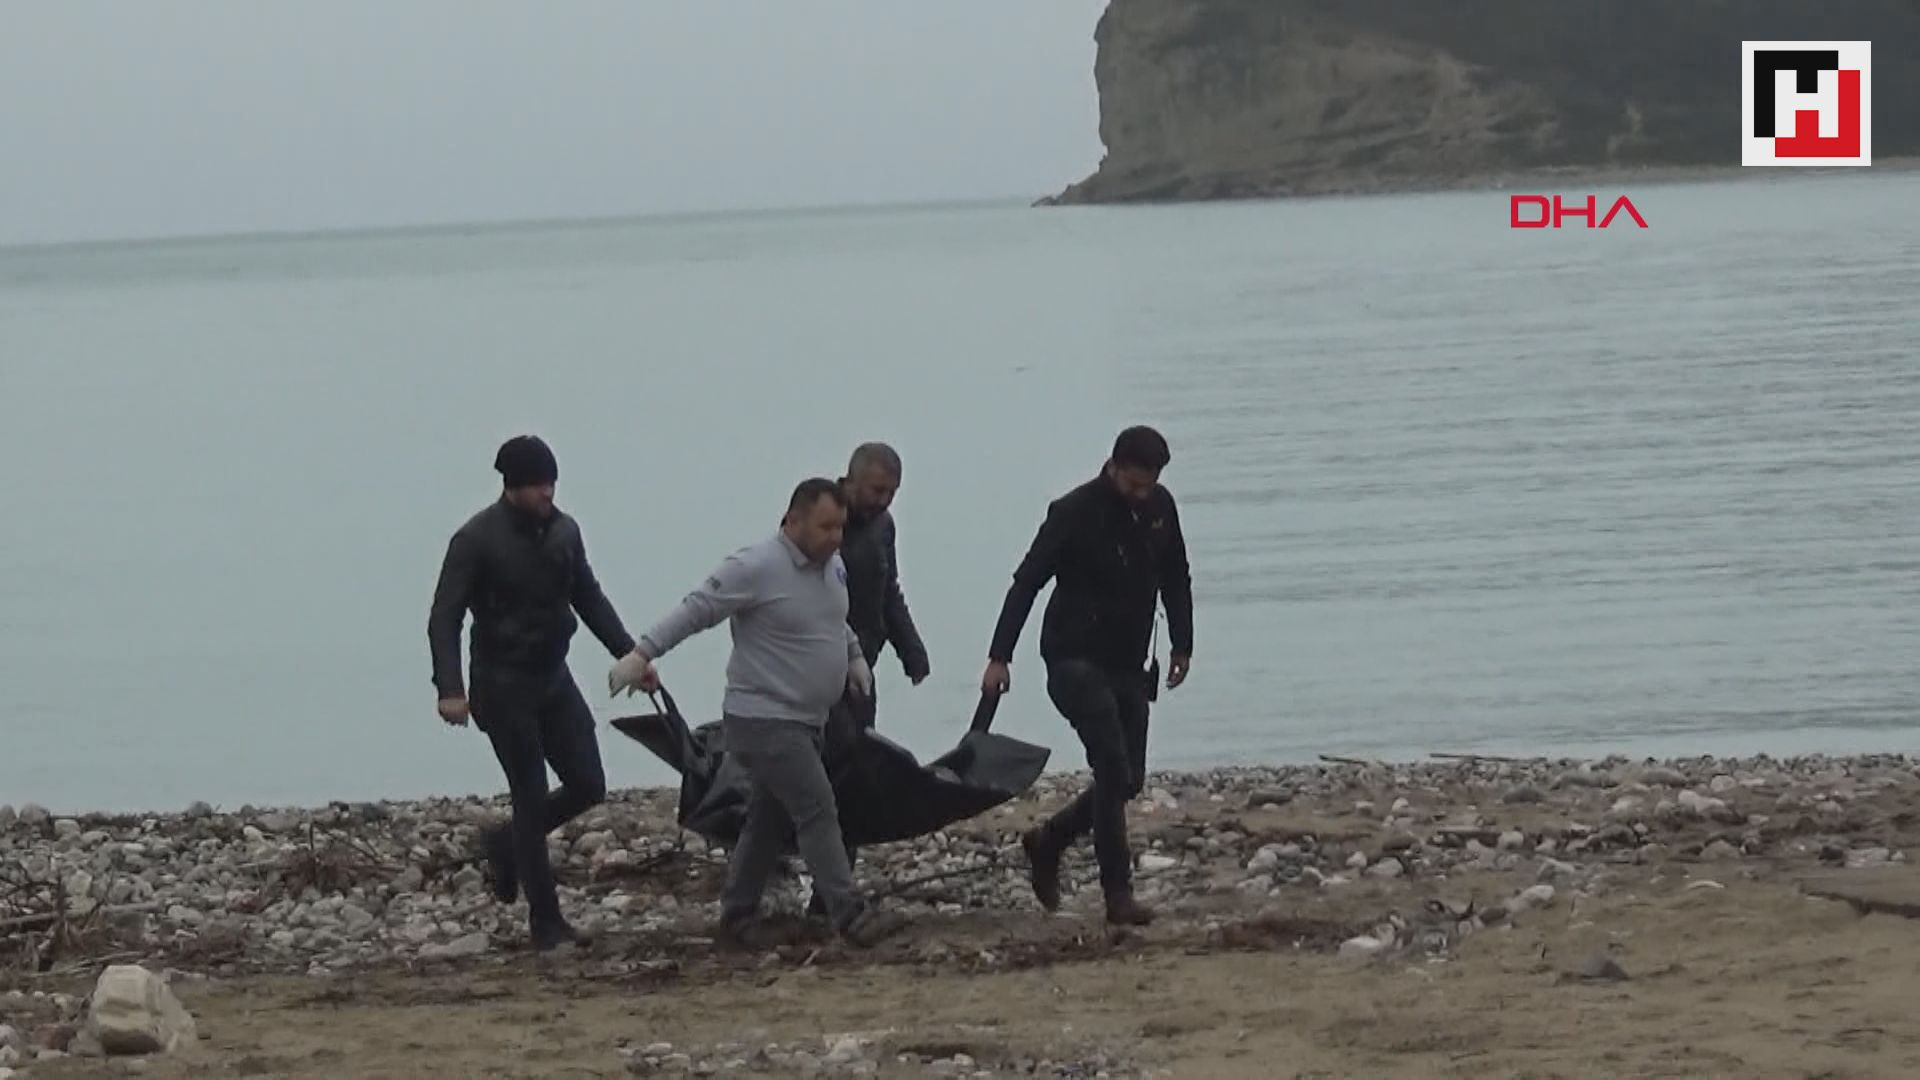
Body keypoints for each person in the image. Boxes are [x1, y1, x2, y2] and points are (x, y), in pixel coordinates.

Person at [607, 478, 908, 948]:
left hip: (809, 719)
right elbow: (695, 610)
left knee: (769, 817)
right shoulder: (755, 566)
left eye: (840, 527)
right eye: (826, 527)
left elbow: (835, 619)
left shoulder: (833, 567)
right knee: (817, 806)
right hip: (763, 719)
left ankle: (738, 915)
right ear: (793, 520)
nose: (836, 538)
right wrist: (641, 653)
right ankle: (849, 915)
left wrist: (853, 657)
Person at [428, 434, 638, 951]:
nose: (547, 492)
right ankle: (546, 923)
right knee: (528, 792)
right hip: (501, 684)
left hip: (552, 676)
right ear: (511, 486)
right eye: (536, 485)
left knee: (588, 783)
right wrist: (451, 688)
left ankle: (506, 842)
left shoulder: (566, 531)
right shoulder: (475, 540)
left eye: (551, 483)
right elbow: (444, 618)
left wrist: (631, 656)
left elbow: (588, 597)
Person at [980, 425, 1194, 926]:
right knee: (1111, 771)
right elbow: (1026, 583)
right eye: (1133, 484)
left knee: (1129, 780)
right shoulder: (1073, 512)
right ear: (1112, 466)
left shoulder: (1161, 508)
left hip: (1129, 662)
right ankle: (1118, 894)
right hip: (1072, 659)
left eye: (1149, 485)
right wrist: (999, 656)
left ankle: (1049, 840)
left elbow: (1175, 575)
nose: (1141, 495)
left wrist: (1182, 643)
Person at [805, 442, 930, 917]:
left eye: (892, 493)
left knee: (854, 781)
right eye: (876, 490)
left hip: (862, 673)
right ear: (851, 479)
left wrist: (910, 648)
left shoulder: (883, 527)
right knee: (823, 781)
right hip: (815, 674)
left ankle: (830, 896)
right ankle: (814, 884)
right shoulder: (820, 519)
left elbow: (888, 591)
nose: (883, 501)